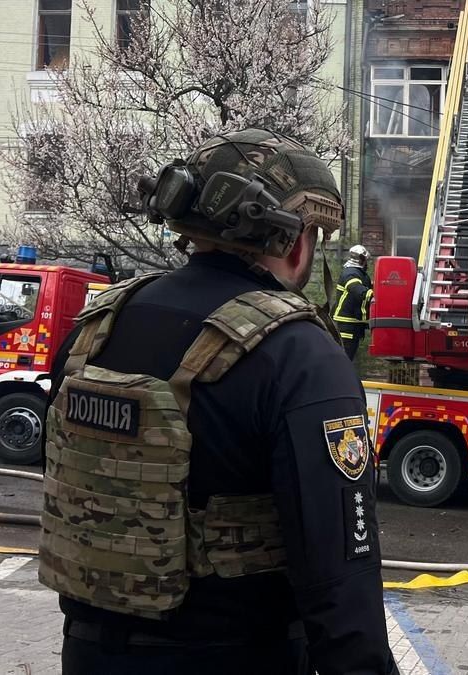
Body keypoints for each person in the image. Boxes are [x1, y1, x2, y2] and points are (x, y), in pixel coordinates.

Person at [38, 128, 399, 675]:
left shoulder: (95, 328)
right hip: (238, 656)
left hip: (86, 653)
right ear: (296, 240)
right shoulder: (299, 354)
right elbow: (339, 572)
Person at [333, 244, 373, 360]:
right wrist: (379, 295)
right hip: (346, 325)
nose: (367, 262)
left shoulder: (358, 273)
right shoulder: (350, 273)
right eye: (366, 260)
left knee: (348, 358)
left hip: (354, 323)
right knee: (344, 359)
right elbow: (358, 290)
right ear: (362, 259)